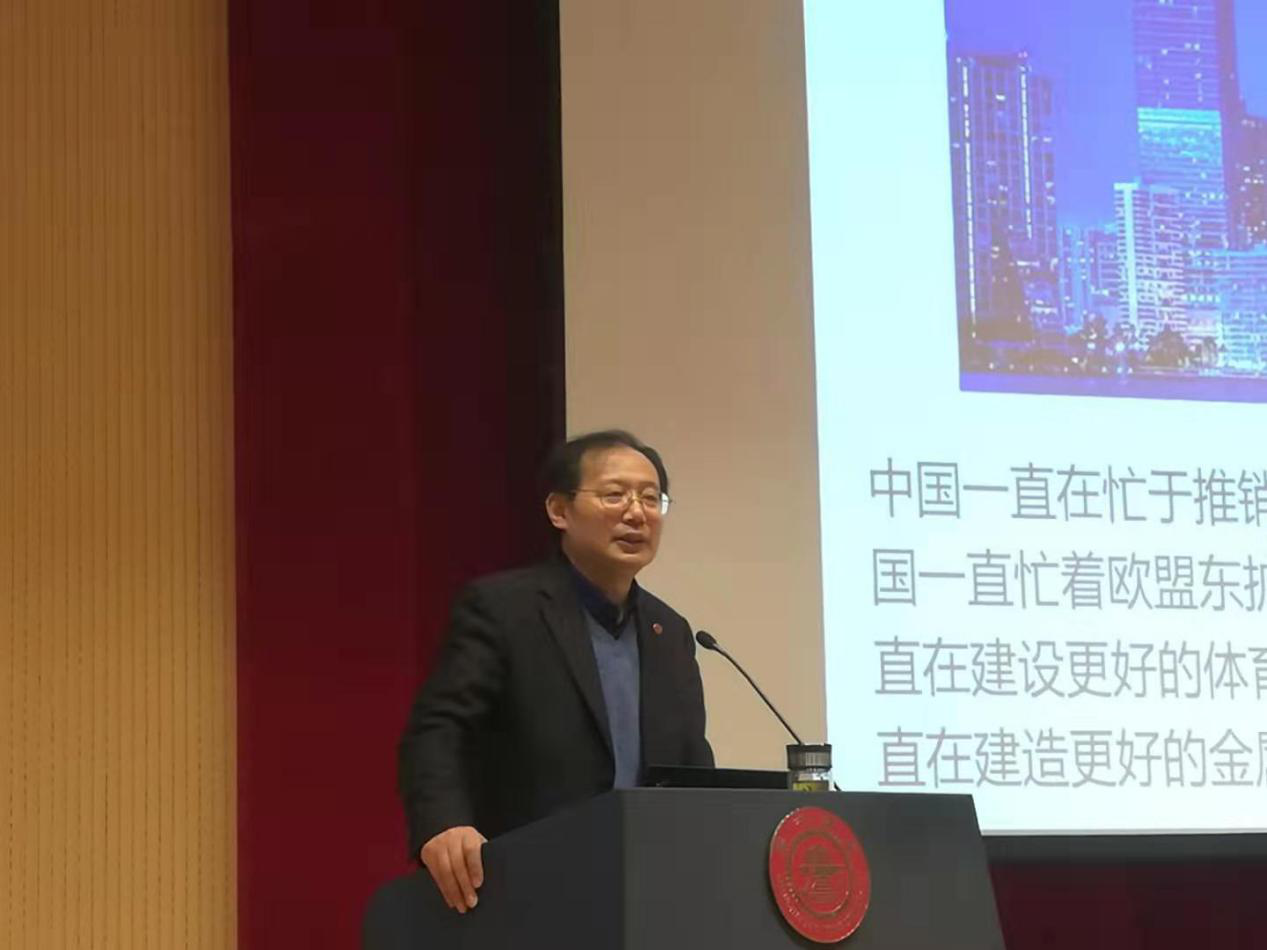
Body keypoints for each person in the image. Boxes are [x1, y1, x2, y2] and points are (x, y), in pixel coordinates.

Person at [396, 430, 713, 915]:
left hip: (647, 894)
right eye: (615, 495)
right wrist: (443, 824)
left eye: (651, 499)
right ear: (559, 510)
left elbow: (692, 766)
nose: (637, 513)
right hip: (523, 885)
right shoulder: (504, 609)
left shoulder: (670, 632)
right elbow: (439, 729)